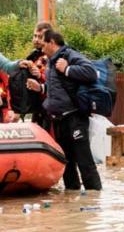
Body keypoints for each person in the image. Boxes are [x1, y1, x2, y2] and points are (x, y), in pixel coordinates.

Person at [40, 29, 103, 191]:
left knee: (84, 159)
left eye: (43, 42)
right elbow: (56, 87)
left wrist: (68, 69)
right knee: (66, 162)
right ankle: (72, 198)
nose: (40, 45)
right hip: (59, 119)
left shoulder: (69, 55)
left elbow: (91, 72)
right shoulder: (50, 62)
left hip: (75, 117)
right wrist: (40, 87)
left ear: (52, 42)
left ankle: (94, 198)